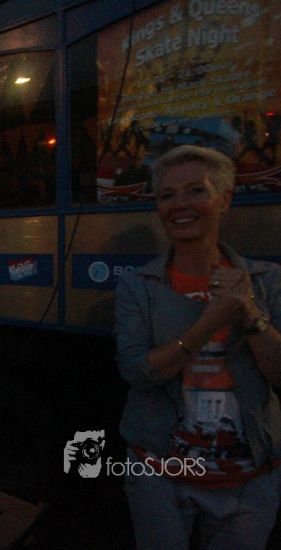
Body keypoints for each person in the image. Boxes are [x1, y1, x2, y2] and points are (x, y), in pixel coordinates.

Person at [114, 145, 281, 550]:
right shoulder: (140, 286)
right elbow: (137, 373)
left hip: (249, 481)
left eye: (196, 191)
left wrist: (248, 312)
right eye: (167, 195)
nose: (180, 205)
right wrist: (210, 322)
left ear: (224, 199)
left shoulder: (266, 281)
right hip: (159, 476)